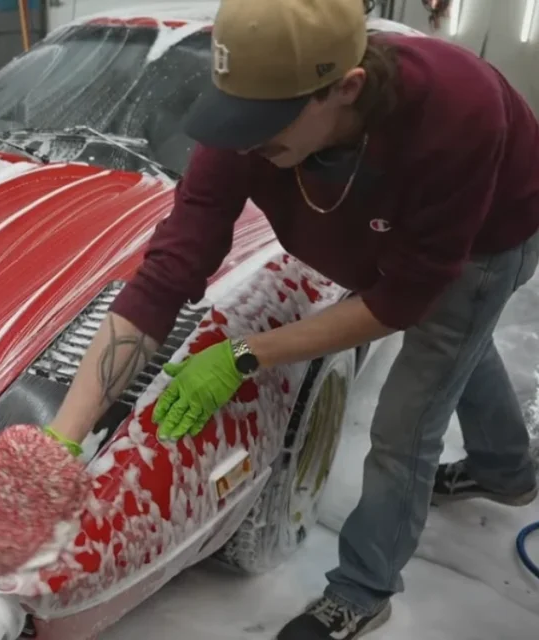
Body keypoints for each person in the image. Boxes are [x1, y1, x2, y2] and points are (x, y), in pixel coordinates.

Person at [36, 0, 539, 638]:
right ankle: (506, 469)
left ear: (346, 88)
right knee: (459, 345)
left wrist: (248, 354)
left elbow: (401, 302)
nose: (244, 141)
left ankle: (362, 590)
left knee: (406, 423)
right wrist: (64, 438)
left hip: (485, 242)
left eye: (263, 127)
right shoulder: (251, 124)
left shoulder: (454, 113)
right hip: (391, 240)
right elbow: (169, 270)